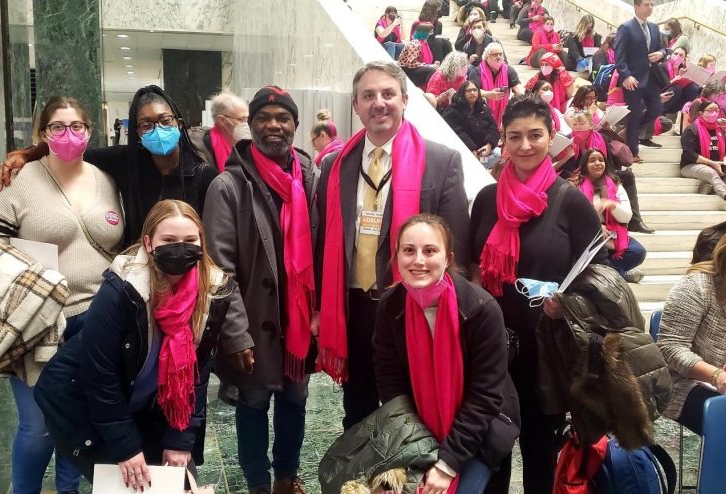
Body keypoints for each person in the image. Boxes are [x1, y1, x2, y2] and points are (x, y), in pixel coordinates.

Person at [314, 61, 471, 430]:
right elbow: (325, 242)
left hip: (413, 305)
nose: (378, 103)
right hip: (353, 306)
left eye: (388, 94)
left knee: (414, 409)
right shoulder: (336, 165)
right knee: (358, 410)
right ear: (355, 105)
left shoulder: (441, 160)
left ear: (404, 100)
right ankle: (361, 483)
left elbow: (456, 244)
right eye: (368, 95)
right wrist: (321, 306)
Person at [33, 199, 231, 484]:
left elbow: (196, 377)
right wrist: (126, 447)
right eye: (169, 240)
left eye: (190, 240)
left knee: (177, 481)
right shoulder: (121, 291)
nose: (180, 248)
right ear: (149, 244)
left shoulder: (211, 292)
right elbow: (100, 378)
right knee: (127, 481)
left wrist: (180, 438)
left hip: (148, 404)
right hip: (85, 402)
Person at [469, 94, 605, 494]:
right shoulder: (486, 199)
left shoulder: (571, 203)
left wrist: (568, 305)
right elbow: (473, 267)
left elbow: (600, 278)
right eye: (515, 137)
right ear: (503, 140)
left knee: (539, 450)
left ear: (551, 137)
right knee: (490, 447)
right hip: (492, 349)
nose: (525, 146)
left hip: (546, 350)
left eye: (535, 135)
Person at [0, 96, 123, 494]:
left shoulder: (107, 179)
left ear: (89, 132)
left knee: (79, 421)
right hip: (38, 322)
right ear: (42, 134)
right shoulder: (18, 180)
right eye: (57, 127)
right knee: (37, 428)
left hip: (99, 319)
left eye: (77, 127)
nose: (68, 135)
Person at [203, 86, 318, 494]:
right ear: (250, 127)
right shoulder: (228, 186)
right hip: (253, 320)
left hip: (299, 319)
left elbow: (321, 251)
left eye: (282, 118)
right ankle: (257, 482)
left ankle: (286, 475)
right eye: (264, 118)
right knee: (253, 405)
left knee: (296, 400)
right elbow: (219, 267)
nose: (274, 125)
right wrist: (235, 332)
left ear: (295, 125)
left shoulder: (309, 177)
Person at [373, 214, 520, 493]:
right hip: (418, 428)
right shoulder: (390, 307)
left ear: (448, 258)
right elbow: (390, 383)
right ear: (397, 256)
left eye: (429, 251)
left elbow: (486, 397)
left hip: (481, 430)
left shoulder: (481, 309)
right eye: (408, 250)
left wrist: (446, 464)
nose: (418, 260)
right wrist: (413, 450)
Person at [0, 85, 219, 246]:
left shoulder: (205, 177)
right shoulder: (127, 163)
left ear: (178, 124)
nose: (158, 129)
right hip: (139, 283)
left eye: (164, 121)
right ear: (137, 133)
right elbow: (74, 151)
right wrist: (29, 154)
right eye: (146, 124)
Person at [657, 226, 726, 435]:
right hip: (689, 384)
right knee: (725, 419)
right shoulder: (697, 287)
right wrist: (717, 375)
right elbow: (670, 347)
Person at [577, 148, 647, 282]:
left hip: (611, 234)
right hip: (587, 235)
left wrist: (611, 204)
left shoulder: (615, 185)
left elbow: (626, 217)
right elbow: (573, 216)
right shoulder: (576, 185)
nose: (598, 163)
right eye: (592, 161)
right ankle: (620, 275)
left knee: (638, 252)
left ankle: (607, 273)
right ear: (585, 165)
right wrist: (596, 226)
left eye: (601, 160)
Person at [614, 0, 668, 162]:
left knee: (656, 109)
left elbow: (662, 48)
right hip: (633, 79)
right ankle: (633, 151)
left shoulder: (654, 27)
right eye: (646, 4)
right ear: (636, 6)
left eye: (652, 5)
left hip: (651, 78)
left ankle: (632, 130)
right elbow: (620, 55)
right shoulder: (626, 28)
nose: (650, 8)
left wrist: (661, 54)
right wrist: (626, 75)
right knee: (634, 114)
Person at [680, 99, 726, 212]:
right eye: (710, 110)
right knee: (711, 173)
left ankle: (711, 188)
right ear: (701, 113)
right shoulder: (691, 130)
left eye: (716, 110)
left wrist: (724, 163)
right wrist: (712, 163)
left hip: (718, 163)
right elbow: (689, 154)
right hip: (691, 165)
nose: (714, 113)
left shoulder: (719, 129)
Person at [442, 80, 501, 168]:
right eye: (469, 91)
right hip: (465, 150)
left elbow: (493, 128)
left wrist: (489, 145)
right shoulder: (453, 110)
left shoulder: (483, 109)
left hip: (483, 150)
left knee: (498, 154)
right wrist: (471, 148)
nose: (472, 93)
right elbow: (457, 132)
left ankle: (479, 165)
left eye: (475, 90)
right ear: (462, 93)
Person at [188, 89, 250, 172]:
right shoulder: (199, 150)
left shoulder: (247, 146)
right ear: (222, 120)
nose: (246, 124)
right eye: (241, 119)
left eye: (247, 119)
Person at [469, 42, 525, 128]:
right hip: (481, 112)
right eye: (495, 55)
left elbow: (518, 87)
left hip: (504, 111)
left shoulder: (509, 70)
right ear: (487, 56)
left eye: (500, 54)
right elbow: (472, 91)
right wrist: (489, 94)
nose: (499, 57)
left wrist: (522, 95)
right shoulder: (477, 71)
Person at [397, 22, 437, 88]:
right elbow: (411, 63)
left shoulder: (423, 42)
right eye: (430, 32)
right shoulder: (415, 44)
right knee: (431, 70)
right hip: (407, 71)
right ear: (425, 33)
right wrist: (428, 66)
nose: (431, 34)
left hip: (416, 68)